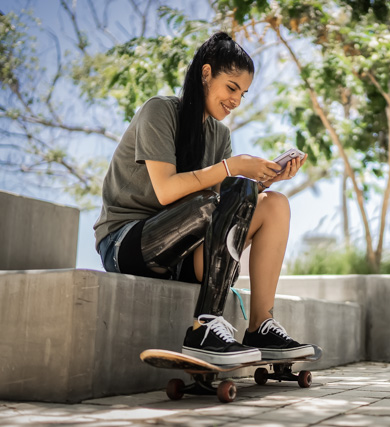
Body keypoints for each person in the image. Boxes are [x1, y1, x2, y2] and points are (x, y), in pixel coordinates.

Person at [94, 31, 315, 365]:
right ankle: (205, 327)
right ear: (206, 73)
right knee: (212, 202)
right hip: (128, 243)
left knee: (275, 204)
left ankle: (260, 326)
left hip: (185, 252)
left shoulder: (220, 134)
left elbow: (228, 212)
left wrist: (266, 182)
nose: (236, 100)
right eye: (231, 87)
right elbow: (167, 191)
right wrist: (231, 167)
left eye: (243, 93)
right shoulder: (160, 111)